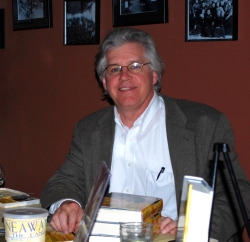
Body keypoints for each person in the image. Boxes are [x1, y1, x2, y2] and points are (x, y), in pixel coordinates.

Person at [41, 27, 250, 241]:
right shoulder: (88, 130)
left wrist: (191, 227)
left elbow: (237, 191)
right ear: (104, 82)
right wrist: (68, 203)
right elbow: (63, 182)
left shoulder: (205, 125)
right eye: (114, 69)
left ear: (155, 75)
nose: (124, 76)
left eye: (135, 66)